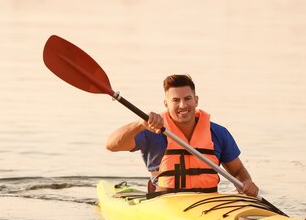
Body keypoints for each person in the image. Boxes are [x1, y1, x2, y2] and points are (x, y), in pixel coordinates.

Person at [105, 74, 259, 197]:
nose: (183, 105)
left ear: (196, 100)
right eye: (175, 100)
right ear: (166, 104)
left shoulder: (218, 133)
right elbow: (111, 145)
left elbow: (238, 170)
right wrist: (139, 124)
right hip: (166, 202)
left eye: (187, 99)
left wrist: (247, 183)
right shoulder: (152, 130)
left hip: (209, 202)